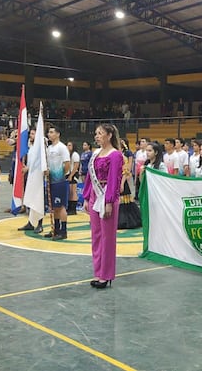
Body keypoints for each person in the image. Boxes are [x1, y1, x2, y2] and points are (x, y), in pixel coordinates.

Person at [82, 124, 124, 289]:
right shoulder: (95, 154)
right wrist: (86, 197)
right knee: (96, 235)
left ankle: (106, 275)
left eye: (100, 133)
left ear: (109, 135)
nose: (97, 136)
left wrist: (109, 202)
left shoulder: (115, 155)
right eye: (96, 134)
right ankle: (98, 271)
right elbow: (88, 177)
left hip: (106, 195)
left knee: (107, 237)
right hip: (94, 195)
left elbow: (115, 178)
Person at [44, 126, 71, 241]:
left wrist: (60, 176)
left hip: (60, 181)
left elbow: (67, 164)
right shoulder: (49, 148)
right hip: (51, 181)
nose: (49, 134)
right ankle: (56, 229)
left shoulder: (62, 148)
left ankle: (63, 231)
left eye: (51, 132)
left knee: (61, 206)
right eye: (48, 132)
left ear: (58, 134)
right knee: (54, 207)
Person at [118, 140, 142, 230]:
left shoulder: (123, 157)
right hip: (115, 181)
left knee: (124, 201)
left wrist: (122, 183)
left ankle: (125, 220)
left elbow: (125, 171)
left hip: (121, 180)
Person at [66, 141, 81, 215]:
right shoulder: (67, 154)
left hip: (73, 174)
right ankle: (69, 208)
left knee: (73, 191)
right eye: (67, 145)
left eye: (69, 145)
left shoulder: (75, 154)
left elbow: (76, 166)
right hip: (68, 173)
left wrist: (71, 175)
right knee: (69, 191)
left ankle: (73, 209)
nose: (68, 147)